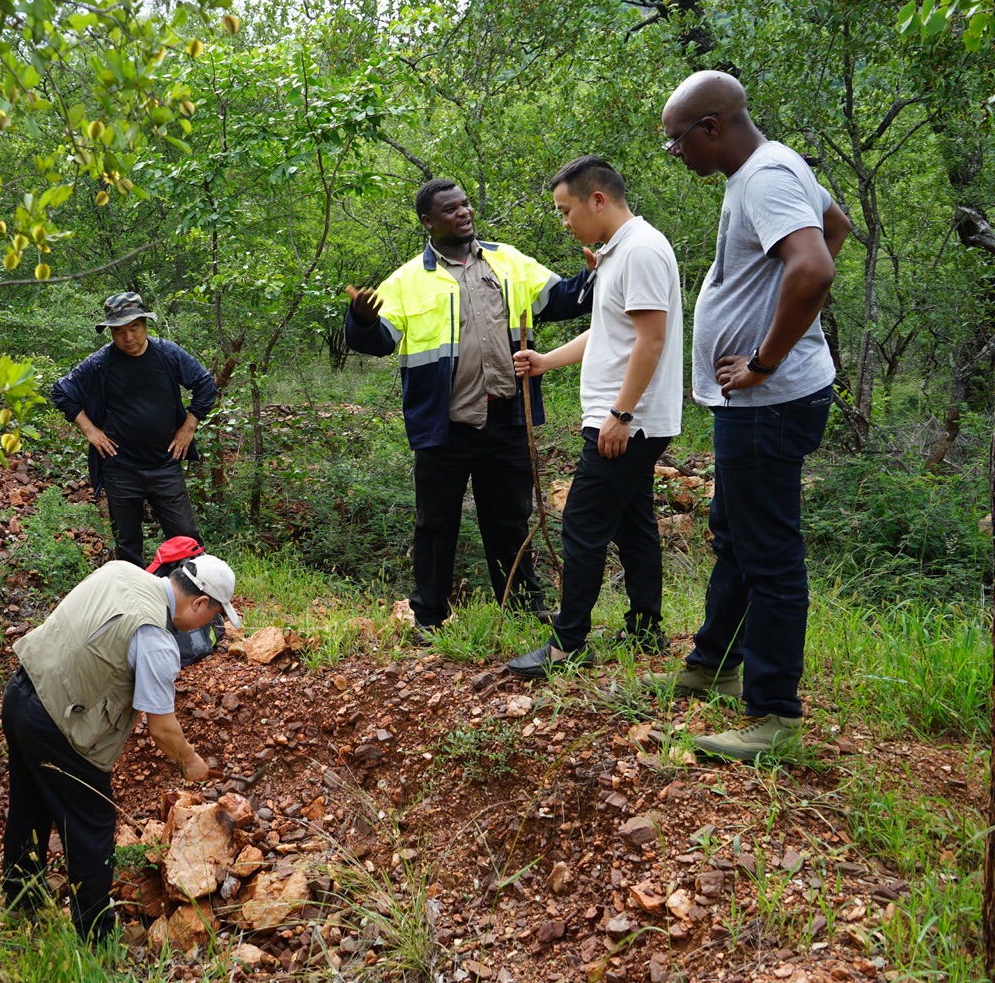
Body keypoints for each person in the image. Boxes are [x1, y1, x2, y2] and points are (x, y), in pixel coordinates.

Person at [647, 70, 851, 760]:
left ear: (712, 128)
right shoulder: (775, 167)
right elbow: (837, 226)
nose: (678, 156)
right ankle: (713, 665)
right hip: (756, 403)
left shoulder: (763, 176)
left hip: (768, 401)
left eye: (678, 142)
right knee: (734, 535)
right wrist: (773, 314)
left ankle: (773, 717)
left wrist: (765, 357)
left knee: (768, 555)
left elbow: (815, 267)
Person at [344, 178, 594, 643]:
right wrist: (360, 321)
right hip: (444, 425)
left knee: (509, 519)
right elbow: (379, 343)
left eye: (465, 204)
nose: (463, 212)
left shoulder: (506, 260)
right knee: (435, 524)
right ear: (428, 222)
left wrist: (594, 278)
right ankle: (428, 618)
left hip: (506, 417)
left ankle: (523, 607)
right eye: (450, 208)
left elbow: (556, 299)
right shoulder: (407, 279)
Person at [506, 156, 683, 678]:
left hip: (630, 419)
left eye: (566, 211)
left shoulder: (643, 251)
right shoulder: (616, 253)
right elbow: (611, 332)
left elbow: (651, 339)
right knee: (633, 522)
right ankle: (646, 628)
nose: (564, 222)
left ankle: (567, 644)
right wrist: (544, 361)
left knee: (583, 523)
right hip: (625, 415)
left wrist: (622, 414)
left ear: (597, 200)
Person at [0, 555, 239, 941]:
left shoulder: (123, 571)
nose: (209, 625)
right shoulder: (156, 640)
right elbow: (161, 728)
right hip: (59, 726)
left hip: (21, 694)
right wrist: (191, 762)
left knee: (30, 803)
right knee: (91, 826)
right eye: (213, 615)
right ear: (199, 603)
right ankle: (95, 938)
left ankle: (21, 901)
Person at [50, 292, 217, 567]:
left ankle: (199, 605)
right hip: (121, 468)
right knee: (128, 545)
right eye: (118, 331)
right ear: (110, 333)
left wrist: (188, 429)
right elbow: (62, 392)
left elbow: (205, 385)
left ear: (145, 324)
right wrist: (91, 431)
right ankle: (136, 606)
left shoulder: (168, 354)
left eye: (134, 327)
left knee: (187, 539)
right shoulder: (101, 362)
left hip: (165, 463)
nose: (128, 337)